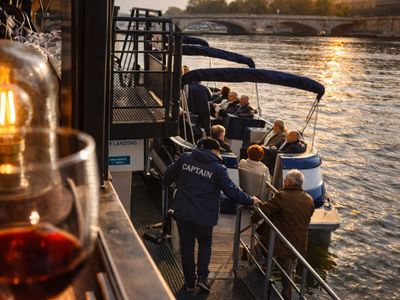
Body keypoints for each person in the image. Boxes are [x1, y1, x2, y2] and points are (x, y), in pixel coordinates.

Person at [164, 137, 261, 293]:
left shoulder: (185, 159)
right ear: (213, 150)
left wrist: (169, 188)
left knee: (187, 248)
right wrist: (250, 200)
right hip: (204, 217)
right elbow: (231, 191)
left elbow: (168, 175)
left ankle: (189, 283)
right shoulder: (217, 168)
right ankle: (202, 278)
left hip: (184, 214)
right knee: (204, 246)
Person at [251, 170, 314, 300]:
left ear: (290, 182)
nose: (284, 182)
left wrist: (253, 218)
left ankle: (262, 270)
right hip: (299, 243)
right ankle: (287, 296)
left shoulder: (283, 196)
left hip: (281, 242)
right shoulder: (309, 199)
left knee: (259, 246)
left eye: (285, 180)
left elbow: (265, 210)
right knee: (288, 272)